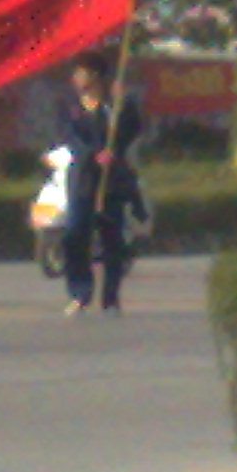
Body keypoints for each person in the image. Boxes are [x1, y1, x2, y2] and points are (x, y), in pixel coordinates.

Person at [58, 50, 144, 317]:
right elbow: (68, 137)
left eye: (81, 73)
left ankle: (111, 297)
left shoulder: (114, 106)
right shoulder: (71, 108)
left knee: (112, 239)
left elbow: (133, 129)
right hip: (83, 180)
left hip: (111, 181)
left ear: (95, 76)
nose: (76, 78)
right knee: (74, 234)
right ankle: (80, 292)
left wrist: (124, 104)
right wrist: (94, 154)